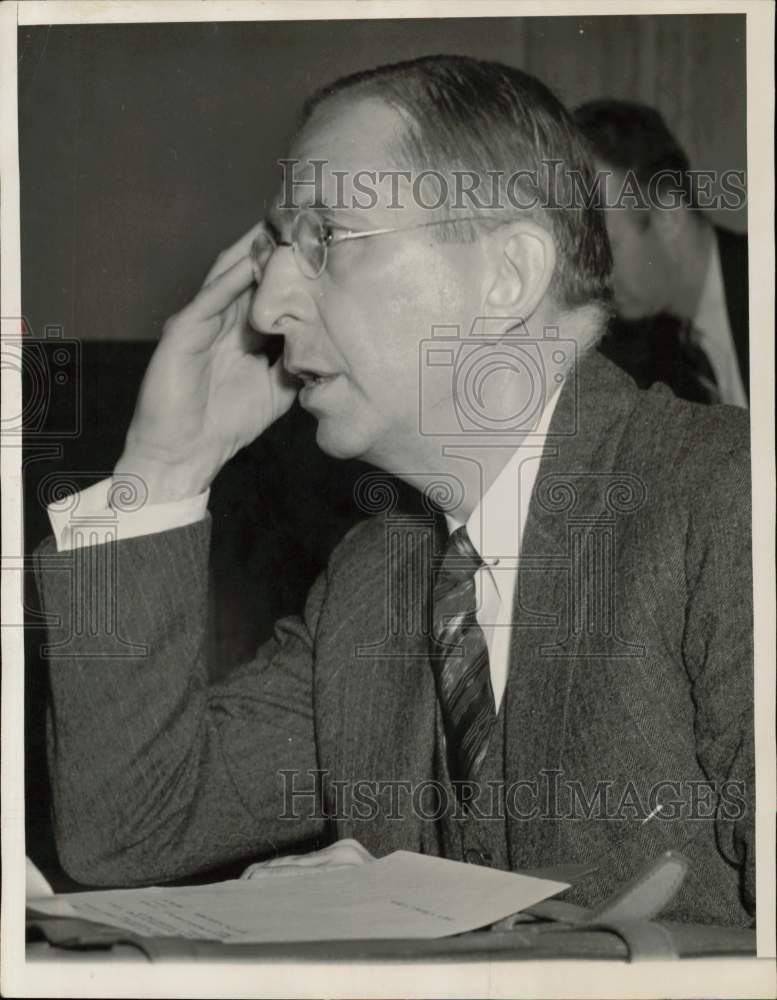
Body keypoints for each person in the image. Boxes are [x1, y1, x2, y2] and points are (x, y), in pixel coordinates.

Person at [35, 56, 754, 927]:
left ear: (506, 276)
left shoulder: (728, 498)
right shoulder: (375, 580)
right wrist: (160, 472)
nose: (266, 309)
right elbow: (131, 832)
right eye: (273, 252)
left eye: (323, 239)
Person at [573, 100, 749, 407]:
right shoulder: (644, 347)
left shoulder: (763, 283)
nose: (595, 273)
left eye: (608, 246)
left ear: (668, 214)